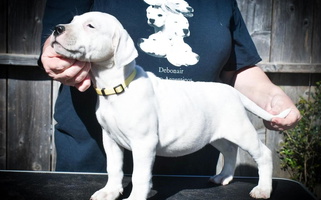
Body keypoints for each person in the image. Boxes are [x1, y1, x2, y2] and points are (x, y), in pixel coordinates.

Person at [40, 0, 301, 173]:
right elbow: (60, 34)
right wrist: (54, 57)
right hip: (93, 164)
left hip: (190, 165)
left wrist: (271, 96)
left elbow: (238, 66)